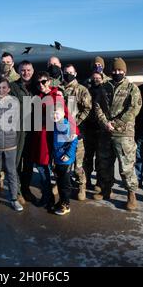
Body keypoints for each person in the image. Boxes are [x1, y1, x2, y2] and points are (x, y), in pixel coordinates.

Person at [93, 57, 141, 211]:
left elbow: (133, 109)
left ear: (124, 71)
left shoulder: (132, 88)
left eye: (120, 70)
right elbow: (97, 106)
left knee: (126, 167)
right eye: (114, 70)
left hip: (123, 134)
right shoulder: (104, 87)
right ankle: (106, 189)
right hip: (106, 132)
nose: (117, 73)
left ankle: (131, 194)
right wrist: (104, 122)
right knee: (104, 164)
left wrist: (116, 123)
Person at [31, 71, 66, 211]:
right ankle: (48, 196)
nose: (41, 85)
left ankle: (62, 201)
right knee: (41, 168)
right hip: (40, 138)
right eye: (38, 82)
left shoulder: (57, 96)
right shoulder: (38, 97)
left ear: (49, 81)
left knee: (56, 170)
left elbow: (64, 116)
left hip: (53, 139)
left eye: (43, 81)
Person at [0, 78, 24, 212]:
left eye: (4, 87)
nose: (1, 90)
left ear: (8, 89)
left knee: (11, 172)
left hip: (10, 144)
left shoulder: (14, 101)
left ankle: (14, 199)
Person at [62, 64, 92, 201]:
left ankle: (81, 186)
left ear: (75, 73)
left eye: (70, 72)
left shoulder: (81, 90)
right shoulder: (60, 89)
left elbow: (87, 108)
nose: (68, 74)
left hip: (76, 133)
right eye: (66, 72)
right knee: (62, 162)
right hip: (62, 133)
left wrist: (76, 122)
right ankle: (61, 183)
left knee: (78, 164)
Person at [10, 60, 37, 202]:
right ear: (18, 71)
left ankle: (26, 189)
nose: (26, 73)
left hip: (32, 131)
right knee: (16, 162)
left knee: (29, 163)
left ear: (32, 71)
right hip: (18, 130)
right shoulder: (13, 87)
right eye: (23, 70)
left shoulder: (37, 86)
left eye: (28, 70)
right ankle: (17, 191)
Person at [52, 108, 79, 216]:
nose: (55, 115)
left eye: (57, 113)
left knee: (65, 183)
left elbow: (74, 141)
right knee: (59, 182)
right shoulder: (55, 125)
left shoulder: (67, 125)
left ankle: (66, 205)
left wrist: (68, 155)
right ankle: (61, 201)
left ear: (64, 114)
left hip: (65, 160)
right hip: (57, 158)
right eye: (53, 113)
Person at [83, 67, 105, 192]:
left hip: (101, 129)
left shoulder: (105, 91)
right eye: (94, 78)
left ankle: (99, 182)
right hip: (89, 128)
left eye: (98, 78)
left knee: (100, 157)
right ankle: (86, 180)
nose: (96, 79)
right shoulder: (88, 91)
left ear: (102, 79)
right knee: (88, 157)